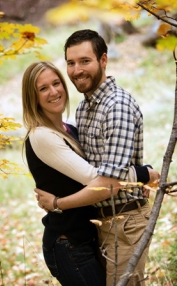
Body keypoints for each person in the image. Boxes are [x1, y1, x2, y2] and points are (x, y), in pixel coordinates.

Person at [35, 29, 159, 285]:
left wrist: (58, 203)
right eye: (71, 63)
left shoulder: (117, 107)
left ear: (103, 60)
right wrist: (143, 173)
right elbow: (93, 170)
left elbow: (109, 184)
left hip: (126, 222)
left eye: (85, 61)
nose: (77, 70)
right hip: (100, 224)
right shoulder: (84, 109)